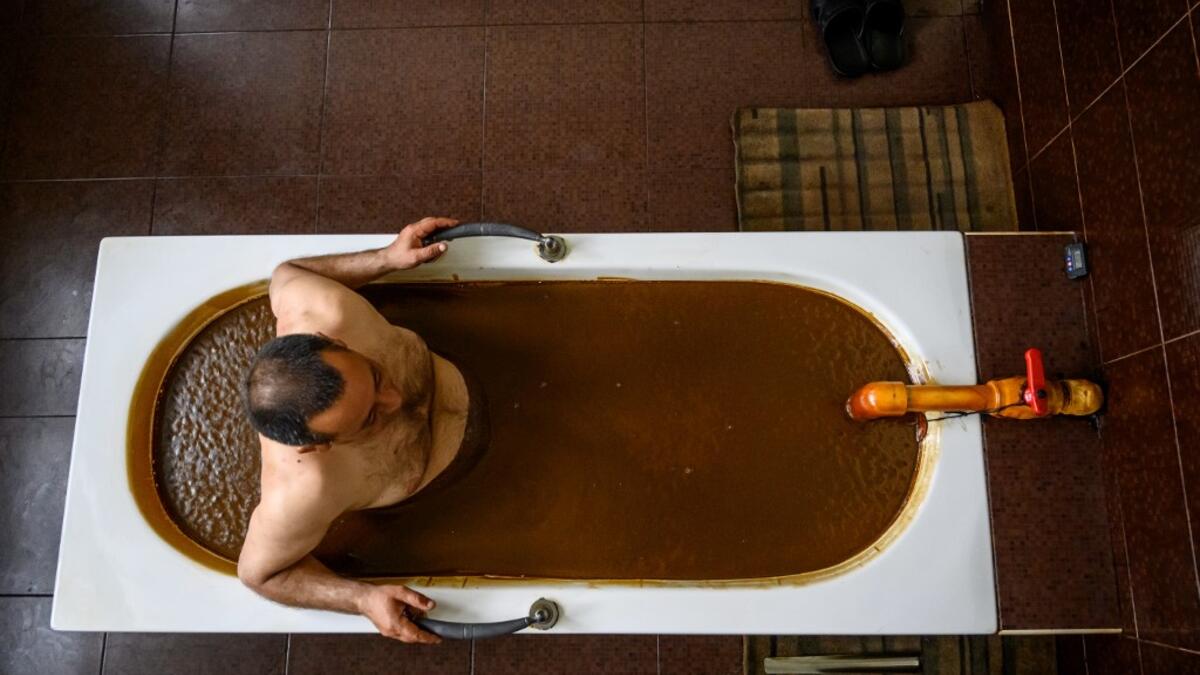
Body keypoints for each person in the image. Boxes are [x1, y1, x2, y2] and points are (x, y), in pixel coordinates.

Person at [237, 217, 468, 644]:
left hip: (490, 371)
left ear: (332, 341)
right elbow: (259, 574)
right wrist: (360, 599)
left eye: (376, 378)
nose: (394, 401)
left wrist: (385, 258)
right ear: (315, 446)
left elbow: (288, 273)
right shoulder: (302, 490)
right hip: (468, 487)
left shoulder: (324, 308)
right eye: (368, 420)